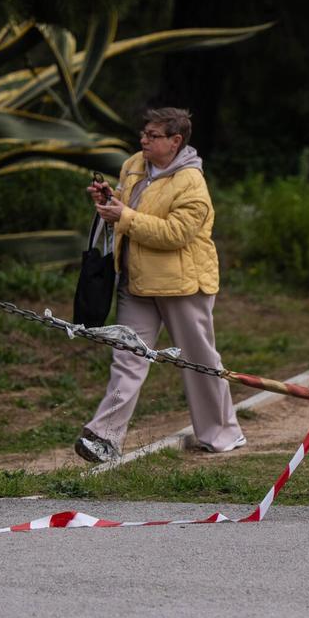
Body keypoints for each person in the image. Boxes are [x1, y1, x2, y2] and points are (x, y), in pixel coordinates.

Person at [75, 107, 245, 463]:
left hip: (183, 287)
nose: (143, 140)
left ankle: (221, 435)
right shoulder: (135, 163)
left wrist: (126, 216)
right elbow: (125, 203)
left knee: (199, 361)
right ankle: (104, 438)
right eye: (143, 133)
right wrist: (109, 201)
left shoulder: (192, 183)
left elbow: (176, 234)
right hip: (136, 282)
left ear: (175, 141)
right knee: (127, 359)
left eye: (153, 136)